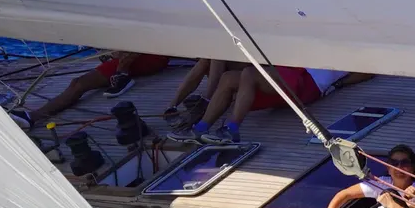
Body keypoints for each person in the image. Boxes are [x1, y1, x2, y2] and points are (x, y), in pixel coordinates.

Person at [191, 66, 369, 144]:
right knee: (228, 77)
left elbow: (368, 71)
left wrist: (337, 85)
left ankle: (232, 129)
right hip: (290, 75)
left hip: (308, 83)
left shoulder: (349, 48)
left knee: (249, 73)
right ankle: (201, 128)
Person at [24, 51, 169, 125]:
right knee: (78, 83)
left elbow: (137, 46)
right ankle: (32, 116)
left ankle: (32, 117)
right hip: (153, 57)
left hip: (142, 58)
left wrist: (121, 70)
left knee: (79, 84)